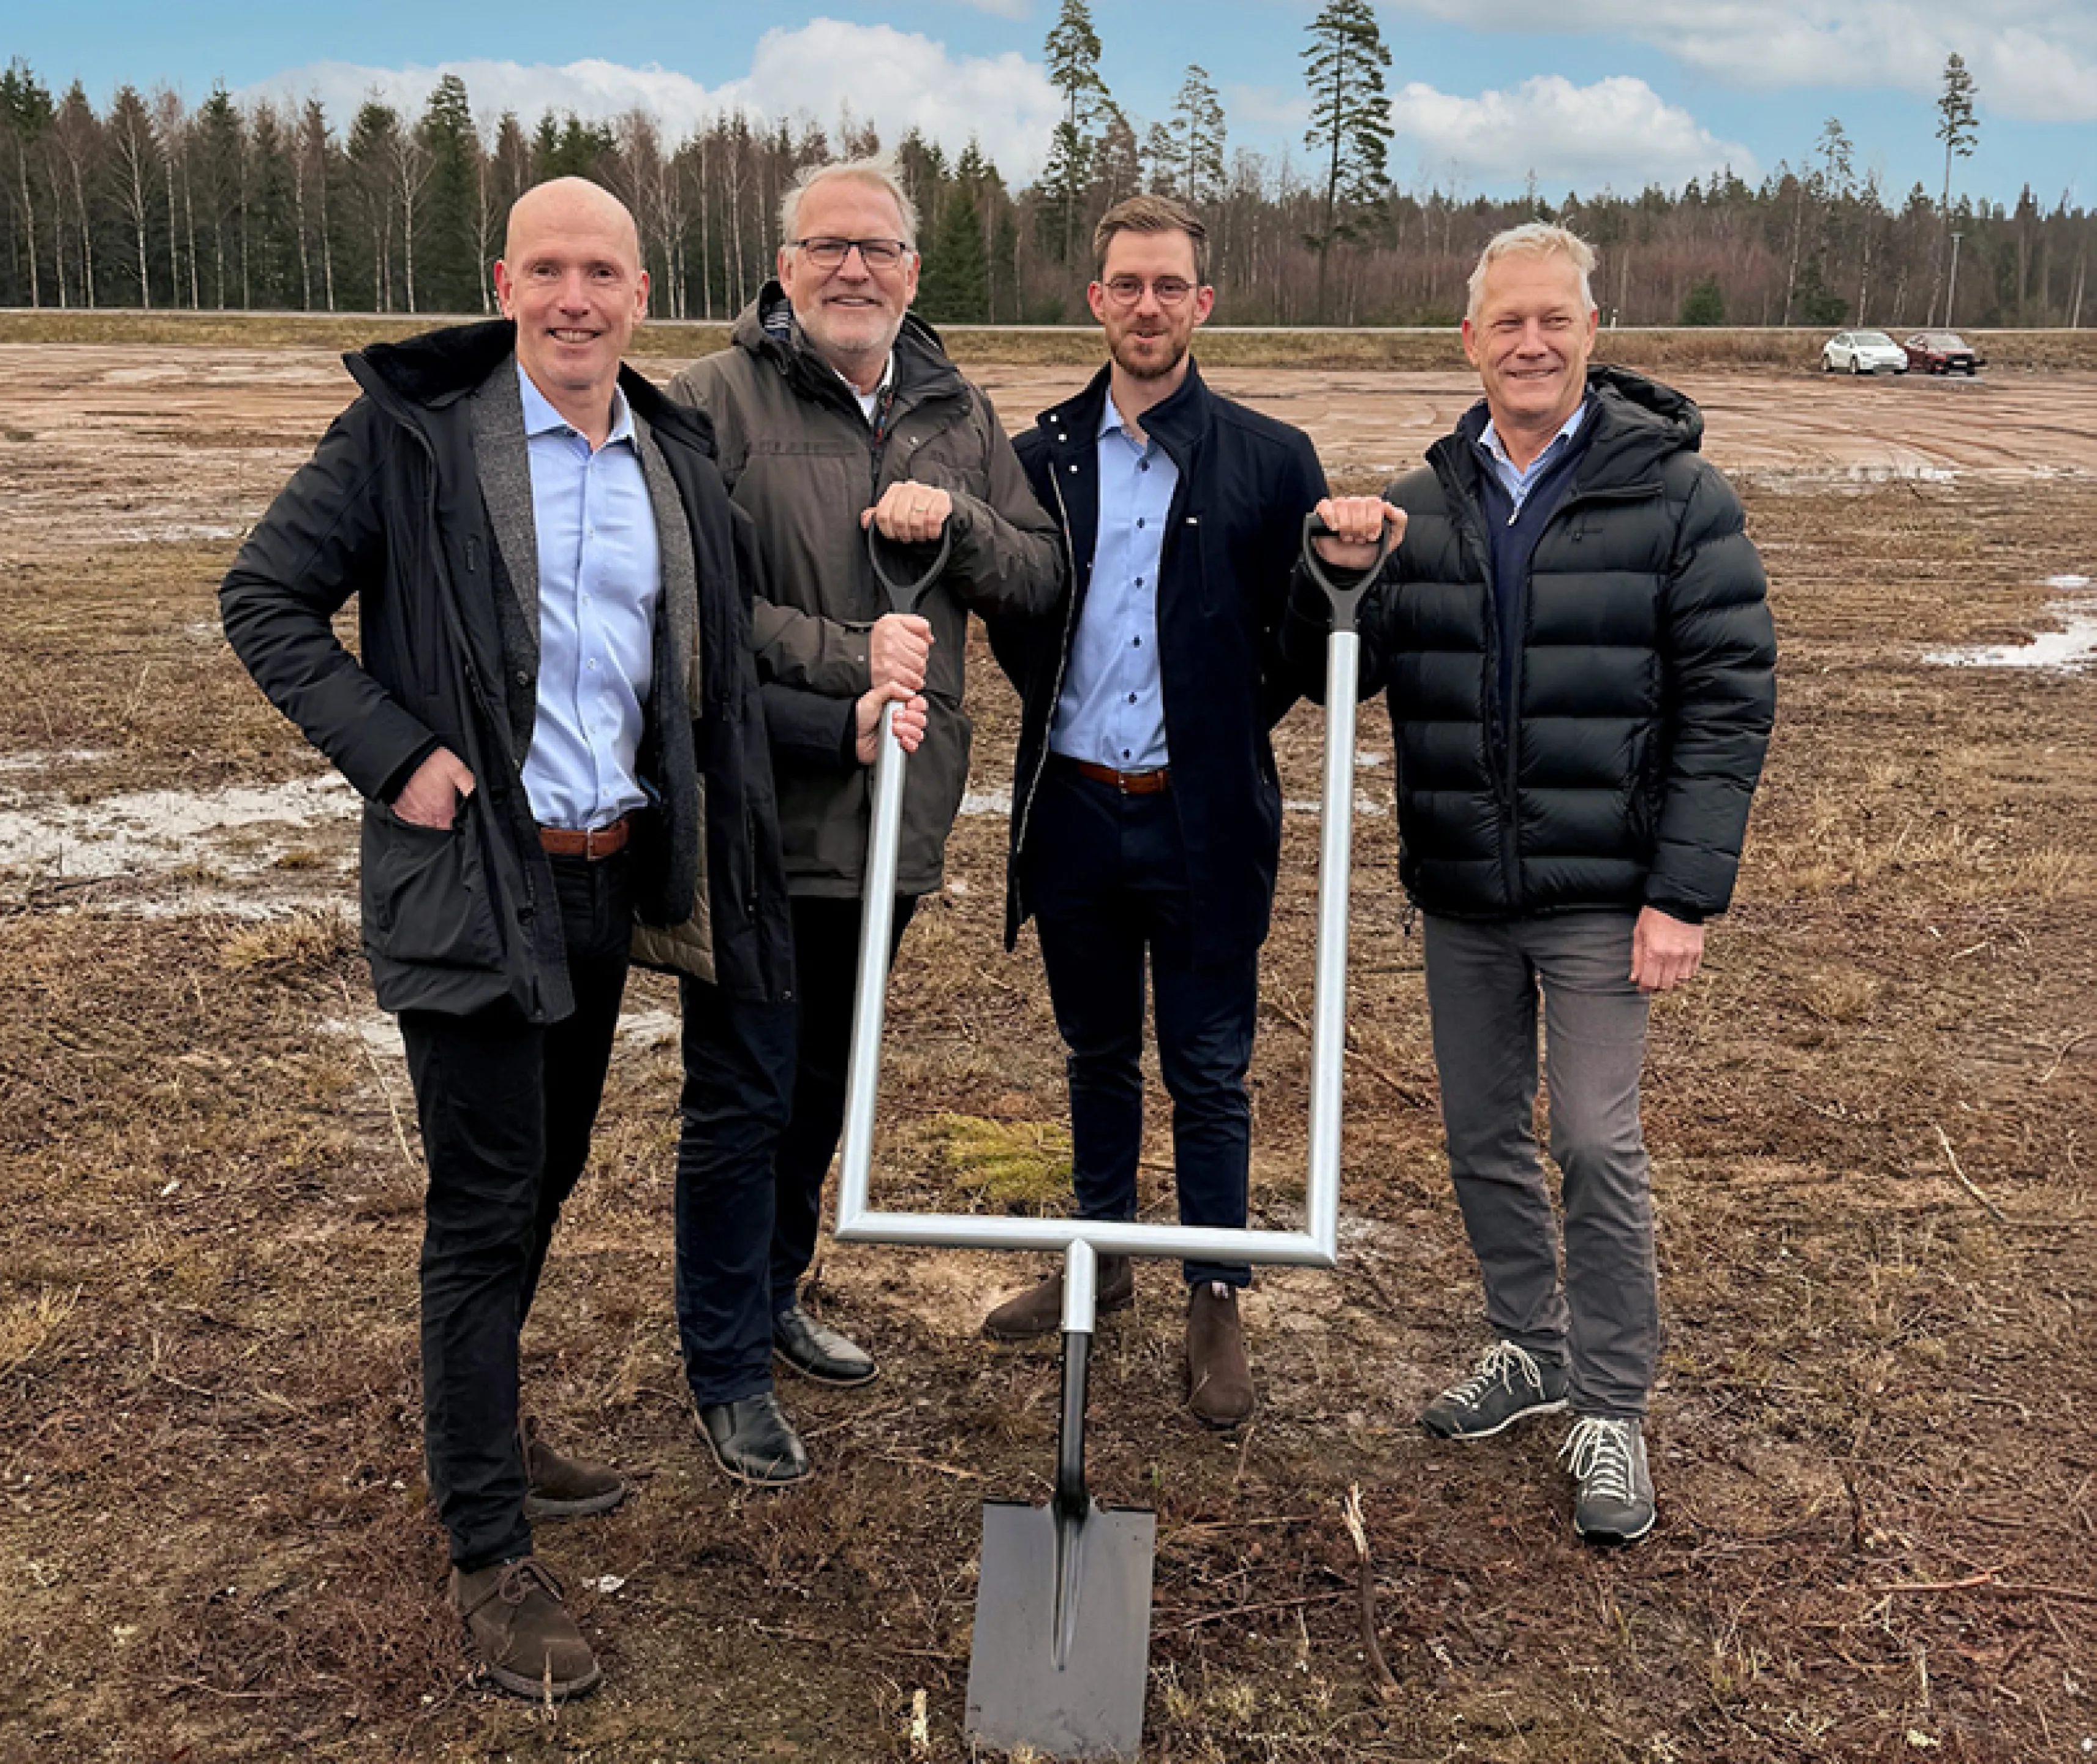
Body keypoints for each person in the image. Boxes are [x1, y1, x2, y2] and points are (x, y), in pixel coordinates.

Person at [220, 178, 902, 1699]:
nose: (576, 298)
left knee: (553, 1169)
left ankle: (490, 1415)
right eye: (550, 270)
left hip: (605, 884)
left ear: (642, 293)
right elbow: (264, 599)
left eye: (603, 272)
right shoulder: (417, 441)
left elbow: (710, 675)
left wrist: (843, 714)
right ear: (506, 281)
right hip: (472, 881)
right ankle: (486, 1549)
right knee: (483, 1202)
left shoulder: (669, 453)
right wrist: (397, 755)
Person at [1296, 222, 1775, 1542]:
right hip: (1461, 887)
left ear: (1590, 331)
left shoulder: (1678, 497)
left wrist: (1683, 894)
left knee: (1592, 1141)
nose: (1531, 342)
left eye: (1554, 320)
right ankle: (1528, 1343)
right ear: (1470, 339)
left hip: (1604, 894)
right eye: (1507, 322)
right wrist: (1333, 571)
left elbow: (1730, 702)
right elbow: (1336, 656)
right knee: (1480, 1134)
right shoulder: (1424, 497)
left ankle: (1611, 1404)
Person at [664, 155, 1064, 1483]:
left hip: (895, 812)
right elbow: (696, 604)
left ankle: (775, 1293)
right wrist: (851, 657)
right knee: (742, 1094)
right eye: (826, 247)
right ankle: (722, 1365)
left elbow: (1038, 580)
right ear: (782, 269)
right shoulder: (708, 403)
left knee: (828, 1084)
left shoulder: (957, 411)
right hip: (757, 811)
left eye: (878, 250)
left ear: (910, 275)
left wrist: (959, 529)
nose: (853, 270)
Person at [978, 195, 1328, 1429]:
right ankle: (1100, 1260)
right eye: (1125, 285)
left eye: (1168, 286)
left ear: (1202, 304)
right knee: (1095, 1053)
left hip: (1202, 819)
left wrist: (1216, 716)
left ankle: (1216, 1291)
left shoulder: (1271, 458)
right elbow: (1023, 623)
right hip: (1076, 812)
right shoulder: (1036, 462)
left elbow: (1299, 637)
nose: (1146, 306)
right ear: (1095, 300)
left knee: (1211, 1067)